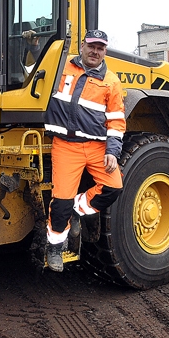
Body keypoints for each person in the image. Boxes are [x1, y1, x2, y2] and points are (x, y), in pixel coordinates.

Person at [43, 29, 125, 272]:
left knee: (112, 188)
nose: (95, 52)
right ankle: (54, 248)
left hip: (98, 147)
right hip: (66, 146)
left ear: (105, 51)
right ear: (82, 46)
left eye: (100, 48)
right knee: (60, 203)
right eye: (91, 46)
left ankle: (77, 210)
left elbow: (116, 121)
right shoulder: (61, 67)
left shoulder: (111, 82)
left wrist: (112, 151)